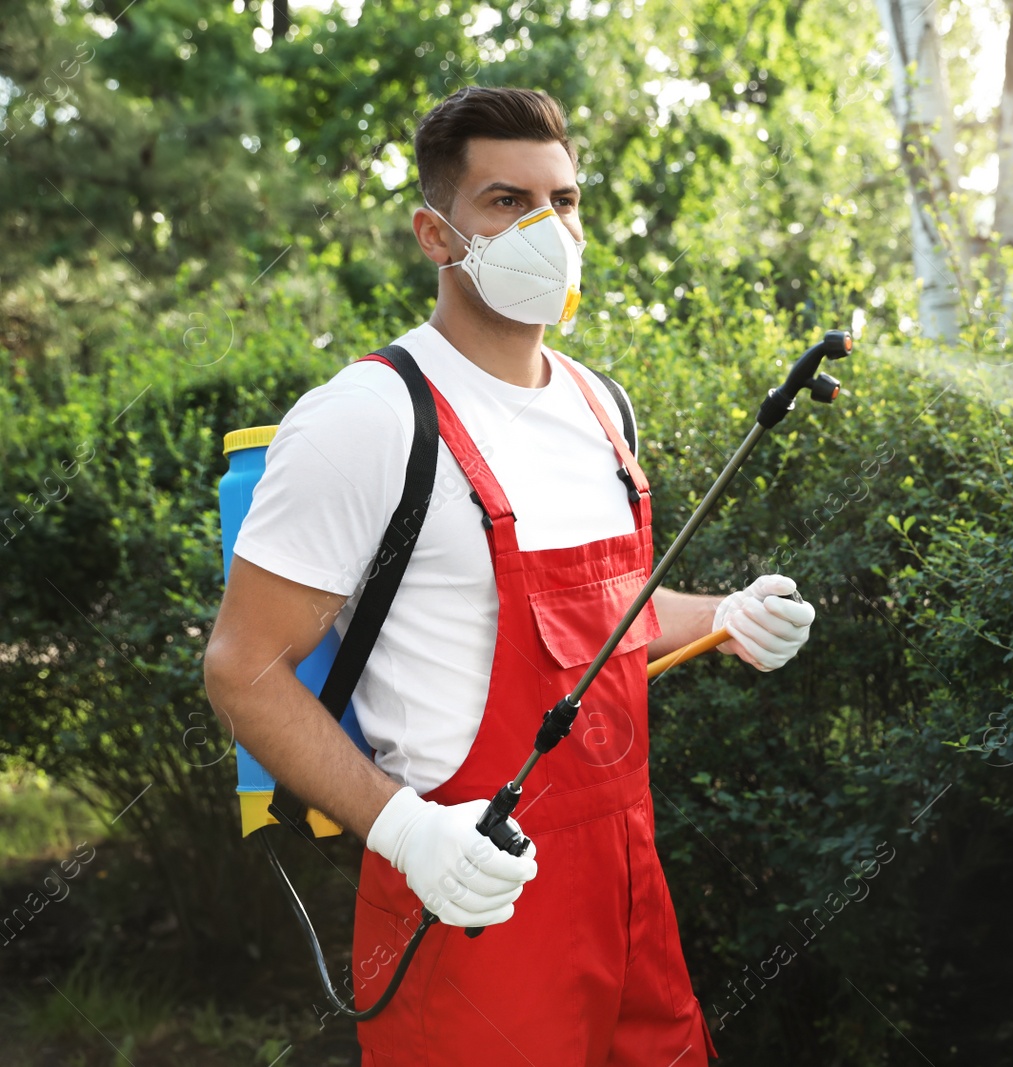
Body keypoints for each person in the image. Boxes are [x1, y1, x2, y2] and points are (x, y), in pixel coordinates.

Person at [203, 85, 814, 1066]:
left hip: (626, 889)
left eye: (563, 201)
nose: (547, 228)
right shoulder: (371, 416)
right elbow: (242, 666)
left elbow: (604, 611)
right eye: (505, 202)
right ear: (434, 233)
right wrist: (406, 833)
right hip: (465, 900)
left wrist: (725, 614)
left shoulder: (597, 404)